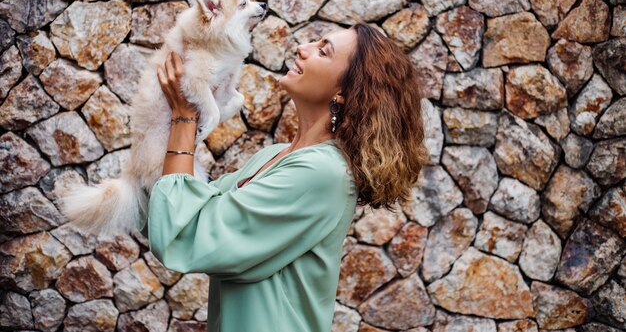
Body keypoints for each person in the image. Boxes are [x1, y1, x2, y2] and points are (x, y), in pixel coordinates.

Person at [147, 23, 429, 332]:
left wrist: (186, 115)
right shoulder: (276, 156)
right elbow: (178, 211)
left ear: (346, 93)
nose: (302, 48)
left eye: (323, 51)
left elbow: (185, 235)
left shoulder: (323, 173)